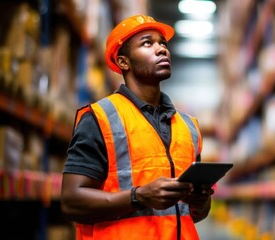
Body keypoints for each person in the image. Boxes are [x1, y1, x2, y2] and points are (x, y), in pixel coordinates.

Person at [60, 15, 213, 240]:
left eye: (163, 43)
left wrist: (200, 202)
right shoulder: (100, 118)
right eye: (147, 43)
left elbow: (193, 214)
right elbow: (71, 201)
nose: (161, 50)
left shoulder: (188, 127)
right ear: (123, 62)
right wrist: (140, 196)